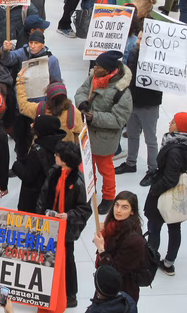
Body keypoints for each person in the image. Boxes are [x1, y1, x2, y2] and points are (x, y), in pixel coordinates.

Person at [75, 50, 133, 215]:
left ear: (108, 70)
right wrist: (82, 103)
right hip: (87, 135)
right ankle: (88, 190)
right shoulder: (94, 76)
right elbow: (81, 91)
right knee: (87, 166)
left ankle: (108, 197)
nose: (95, 68)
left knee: (106, 170)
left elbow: (119, 119)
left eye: (99, 66)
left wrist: (95, 117)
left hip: (104, 139)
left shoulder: (122, 92)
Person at [36, 141, 92, 309]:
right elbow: (44, 194)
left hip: (66, 229)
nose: (55, 156)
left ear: (66, 160)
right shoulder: (54, 172)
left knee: (68, 260)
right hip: (49, 225)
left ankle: (70, 294)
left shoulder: (79, 182)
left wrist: (68, 216)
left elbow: (84, 209)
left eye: (58, 155)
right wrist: (40, 216)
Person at [116, 36, 163, 186]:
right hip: (133, 102)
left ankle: (153, 169)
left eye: (141, 38)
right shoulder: (134, 53)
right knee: (132, 134)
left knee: (150, 139)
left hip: (149, 104)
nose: (137, 41)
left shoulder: (159, 58)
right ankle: (131, 162)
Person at [144, 112, 187, 277]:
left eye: (174, 122)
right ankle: (169, 263)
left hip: (164, 195)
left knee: (154, 227)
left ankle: (151, 260)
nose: (170, 123)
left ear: (180, 127)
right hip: (179, 197)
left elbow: (170, 178)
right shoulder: (181, 143)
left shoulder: (175, 149)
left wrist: (154, 189)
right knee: (174, 227)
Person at [92, 191, 147, 303]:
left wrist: (101, 248)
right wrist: (103, 233)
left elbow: (115, 271)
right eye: (116, 205)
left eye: (124, 207)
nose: (118, 210)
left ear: (132, 211)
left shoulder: (134, 240)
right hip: (106, 287)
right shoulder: (112, 226)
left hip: (121, 293)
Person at [12, 115, 66, 213]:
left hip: (33, 200)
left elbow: (28, 177)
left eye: (35, 125)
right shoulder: (59, 146)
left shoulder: (37, 151)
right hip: (50, 197)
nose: (32, 125)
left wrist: (16, 165)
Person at [16, 78, 83, 143]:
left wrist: (20, 82)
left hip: (42, 152)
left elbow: (23, 106)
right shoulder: (75, 113)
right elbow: (79, 138)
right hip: (65, 153)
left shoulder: (40, 109)